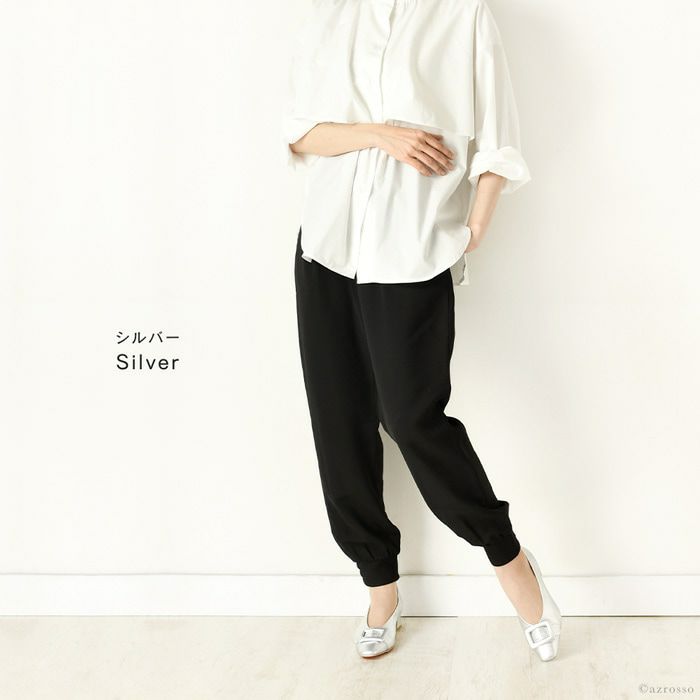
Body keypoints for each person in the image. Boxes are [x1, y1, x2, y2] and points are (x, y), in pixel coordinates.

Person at [282, 0, 562, 661]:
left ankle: (508, 556)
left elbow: (498, 145)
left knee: (412, 418)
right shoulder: (330, 16)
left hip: (412, 252)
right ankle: (379, 585)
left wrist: (473, 230)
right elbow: (299, 135)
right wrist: (381, 135)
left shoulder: (464, 17)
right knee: (339, 420)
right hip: (326, 246)